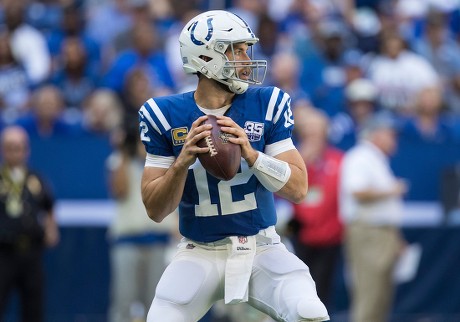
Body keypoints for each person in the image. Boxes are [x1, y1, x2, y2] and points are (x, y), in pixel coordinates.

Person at [139, 10, 329, 322]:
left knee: (309, 311)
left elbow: (298, 189)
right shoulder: (164, 114)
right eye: (236, 50)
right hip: (199, 251)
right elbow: (155, 209)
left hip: (262, 247)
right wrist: (182, 162)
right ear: (205, 57)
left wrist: (253, 156)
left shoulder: (267, 103)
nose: (245, 58)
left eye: (245, 49)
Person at [339, 112, 407, 322]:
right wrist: (392, 190)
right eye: (390, 134)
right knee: (369, 294)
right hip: (368, 233)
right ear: (376, 135)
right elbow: (357, 191)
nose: (394, 139)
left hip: (381, 233)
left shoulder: (375, 158)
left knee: (381, 296)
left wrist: (396, 238)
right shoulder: (361, 156)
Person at [106, 121, 176, 322]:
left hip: (160, 240)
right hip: (127, 239)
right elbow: (119, 190)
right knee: (123, 301)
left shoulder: (165, 159)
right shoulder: (118, 160)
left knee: (158, 303)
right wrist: (122, 152)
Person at [0, 125, 59, 322]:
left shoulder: (36, 179)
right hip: (3, 252)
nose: (15, 153)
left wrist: (51, 229)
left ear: (26, 150)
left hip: (32, 251)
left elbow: (49, 205)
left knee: (33, 307)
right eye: (10, 147)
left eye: (19, 147)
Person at [289, 106, 343, 309]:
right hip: (299, 233)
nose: (312, 138)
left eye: (317, 133)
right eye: (308, 133)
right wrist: (301, 162)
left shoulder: (337, 159)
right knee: (298, 288)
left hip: (330, 236)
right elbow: (280, 191)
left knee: (322, 290)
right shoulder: (293, 158)